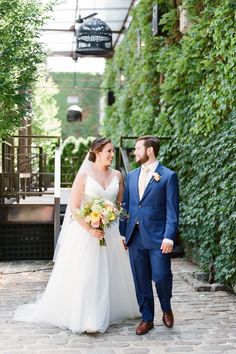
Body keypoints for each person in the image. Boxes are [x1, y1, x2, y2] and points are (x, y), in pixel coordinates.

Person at [14, 138, 140, 334]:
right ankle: (90, 316)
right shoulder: (84, 175)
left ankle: (113, 308)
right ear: (96, 152)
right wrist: (90, 227)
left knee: (112, 271)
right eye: (108, 151)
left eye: (113, 151)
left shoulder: (117, 175)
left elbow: (121, 205)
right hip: (87, 232)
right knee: (89, 273)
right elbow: (73, 207)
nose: (111, 154)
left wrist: (111, 216)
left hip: (111, 231)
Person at [120, 135, 179, 335]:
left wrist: (169, 237)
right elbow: (126, 206)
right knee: (140, 279)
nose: (135, 152)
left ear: (150, 150)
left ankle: (166, 307)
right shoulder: (132, 176)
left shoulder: (168, 176)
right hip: (135, 236)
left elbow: (172, 210)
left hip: (159, 237)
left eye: (138, 148)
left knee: (162, 276)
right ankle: (147, 318)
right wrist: (122, 233)